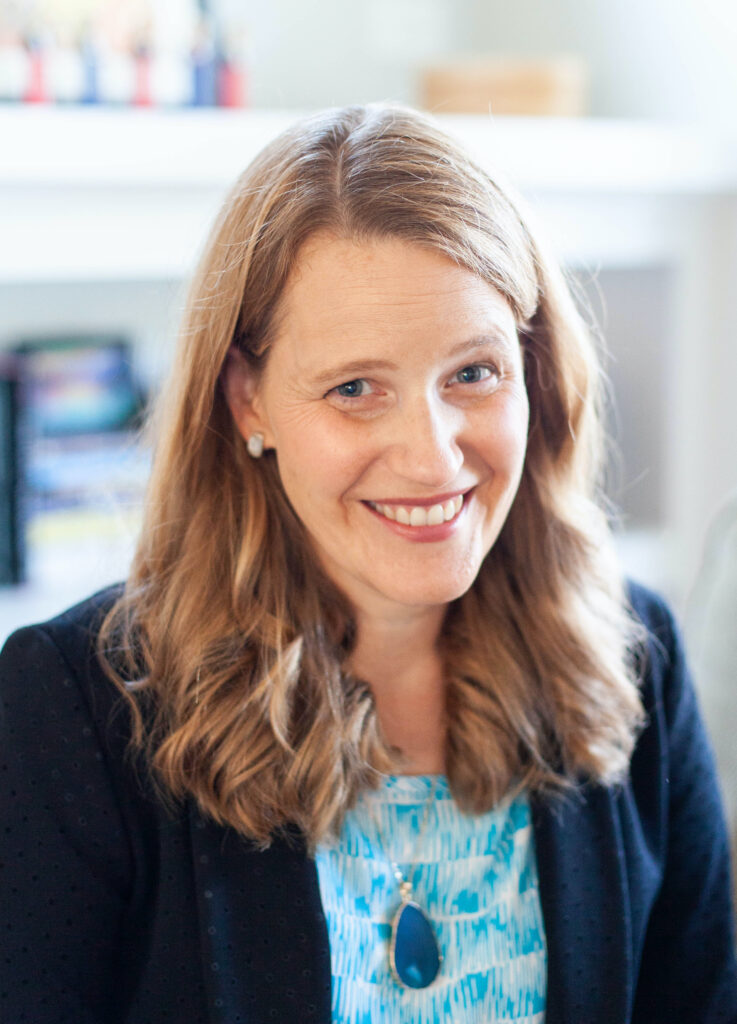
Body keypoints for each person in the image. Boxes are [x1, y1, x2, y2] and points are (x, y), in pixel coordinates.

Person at [1, 103, 736, 1024]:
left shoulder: (634, 659)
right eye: (355, 389)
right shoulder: (72, 707)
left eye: (473, 373)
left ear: (533, 372)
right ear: (247, 402)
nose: (431, 458)